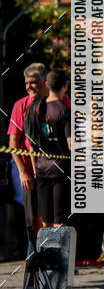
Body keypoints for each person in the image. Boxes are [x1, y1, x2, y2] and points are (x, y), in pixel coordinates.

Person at [8, 63, 49, 250]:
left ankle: (54, 256)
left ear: (45, 82)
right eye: (26, 83)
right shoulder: (20, 106)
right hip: (30, 172)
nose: (29, 87)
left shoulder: (56, 103)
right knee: (33, 220)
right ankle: (34, 257)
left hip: (52, 170)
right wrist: (23, 172)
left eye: (33, 82)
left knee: (53, 217)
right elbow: (13, 143)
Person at [25, 69, 71, 228]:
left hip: (41, 169)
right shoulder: (65, 110)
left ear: (46, 84)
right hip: (61, 170)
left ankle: (48, 245)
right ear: (65, 86)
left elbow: (31, 144)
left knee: (46, 220)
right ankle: (59, 245)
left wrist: (35, 171)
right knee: (60, 219)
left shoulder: (34, 108)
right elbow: (71, 145)